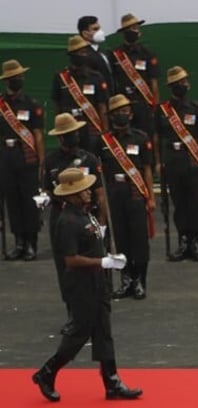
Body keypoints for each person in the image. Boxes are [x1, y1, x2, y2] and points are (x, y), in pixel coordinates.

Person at [31, 168, 142, 402]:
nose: (89, 192)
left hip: (97, 281)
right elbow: (70, 259)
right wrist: (103, 261)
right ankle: (47, 372)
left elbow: (92, 239)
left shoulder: (84, 214)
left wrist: (107, 255)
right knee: (79, 333)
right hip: (80, 284)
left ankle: (111, 381)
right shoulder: (68, 221)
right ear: (72, 195)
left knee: (104, 330)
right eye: (84, 190)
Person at [43, 113, 106, 334]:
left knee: (93, 264)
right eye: (69, 134)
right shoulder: (51, 161)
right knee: (65, 267)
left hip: (87, 218)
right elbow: (47, 191)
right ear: (60, 137)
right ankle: (73, 313)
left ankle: (97, 310)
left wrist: (103, 224)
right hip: (62, 219)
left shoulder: (89, 159)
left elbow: (99, 193)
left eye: (75, 132)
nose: (74, 136)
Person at [99, 95, 155, 300]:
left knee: (139, 240)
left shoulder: (140, 138)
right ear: (111, 116)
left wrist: (150, 197)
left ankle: (140, 281)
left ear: (131, 115)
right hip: (114, 195)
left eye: (125, 111)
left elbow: (147, 169)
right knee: (119, 240)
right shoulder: (103, 141)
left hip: (135, 194)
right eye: (117, 112)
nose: (121, 115)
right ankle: (126, 280)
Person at [156, 67, 198, 262]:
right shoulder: (162, 110)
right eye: (180, 82)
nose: (184, 85)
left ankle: (196, 242)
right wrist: (157, 162)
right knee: (179, 204)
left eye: (185, 81)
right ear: (172, 86)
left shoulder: (195, 108)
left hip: (193, 160)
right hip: (173, 160)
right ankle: (183, 241)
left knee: (195, 204)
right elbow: (157, 138)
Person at [0, 59, 45, 261]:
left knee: (29, 201)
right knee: (12, 200)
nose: (19, 79)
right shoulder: (1, 105)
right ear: (7, 80)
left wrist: (41, 162)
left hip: (26, 156)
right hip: (6, 156)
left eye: (20, 76)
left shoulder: (31, 104)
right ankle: (18, 242)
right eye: (15, 77)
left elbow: (38, 135)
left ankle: (31, 243)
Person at [52, 36, 109, 156]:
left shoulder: (96, 77)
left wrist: (105, 131)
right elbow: (57, 105)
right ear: (72, 55)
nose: (83, 55)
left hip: (92, 129)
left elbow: (102, 106)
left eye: (84, 52)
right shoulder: (61, 78)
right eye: (79, 52)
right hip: (70, 129)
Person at [107, 13, 160, 142]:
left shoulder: (147, 53)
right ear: (124, 32)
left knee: (146, 138)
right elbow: (110, 81)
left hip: (143, 104)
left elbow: (154, 82)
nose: (134, 31)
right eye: (130, 29)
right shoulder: (115, 55)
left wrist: (156, 108)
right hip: (122, 107)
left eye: (136, 28)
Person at [76, 15, 114, 89]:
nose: (100, 32)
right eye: (95, 29)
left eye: (99, 28)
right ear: (85, 34)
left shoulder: (104, 51)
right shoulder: (83, 55)